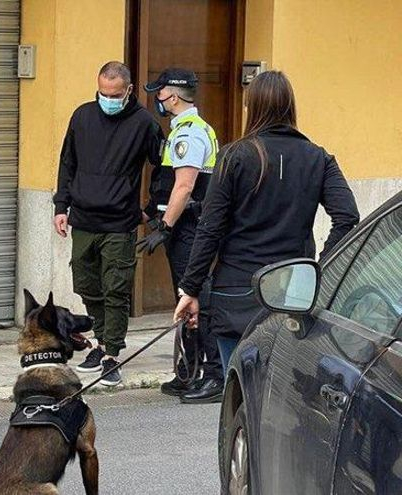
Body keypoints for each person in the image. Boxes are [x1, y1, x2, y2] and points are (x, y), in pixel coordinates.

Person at [174, 71, 359, 385]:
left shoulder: (235, 156)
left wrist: (190, 288)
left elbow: (210, 228)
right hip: (294, 291)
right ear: (291, 107)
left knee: (240, 393)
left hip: (235, 291)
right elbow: (347, 217)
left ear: (252, 107)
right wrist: (319, 271)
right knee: (284, 396)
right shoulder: (319, 158)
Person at [54, 61, 163, 386]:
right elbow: (67, 162)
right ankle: (100, 341)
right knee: (87, 285)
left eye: (115, 94)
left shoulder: (144, 123)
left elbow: (164, 166)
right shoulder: (82, 116)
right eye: (103, 93)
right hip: (84, 218)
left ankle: (111, 353)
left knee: (115, 288)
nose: (108, 99)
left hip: (119, 221)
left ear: (129, 90)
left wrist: (151, 209)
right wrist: (62, 206)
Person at [140, 69, 224, 403]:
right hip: (184, 225)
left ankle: (213, 374)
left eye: (158, 94)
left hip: (188, 228)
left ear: (172, 96)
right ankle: (188, 372)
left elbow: (185, 185)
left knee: (195, 298)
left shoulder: (189, 133)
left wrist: (165, 227)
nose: (156, 100)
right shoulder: (187, 129)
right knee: (185, 297)